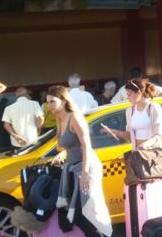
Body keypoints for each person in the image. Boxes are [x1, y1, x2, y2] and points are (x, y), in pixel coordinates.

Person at [48, 86, 112, 236]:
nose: (49, 105)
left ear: (64, 101)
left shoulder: (74, 117)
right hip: (72, 168)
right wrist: (63, 153)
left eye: (52, 101)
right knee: (76, 214)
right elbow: (71, 144)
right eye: (48, 102)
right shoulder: (60, 119)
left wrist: (84, 173)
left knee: (86, 212)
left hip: (86, 168)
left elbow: (86, 146)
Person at [100, 78, 162, 150]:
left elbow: (160, 134)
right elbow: (130, 134)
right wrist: (114, 132)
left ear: (138, 92)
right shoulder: (130, 111)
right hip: (137, 152)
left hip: (152, 152)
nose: (127, 97)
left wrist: (145, 145)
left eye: (129, 94)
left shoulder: (153, 108)